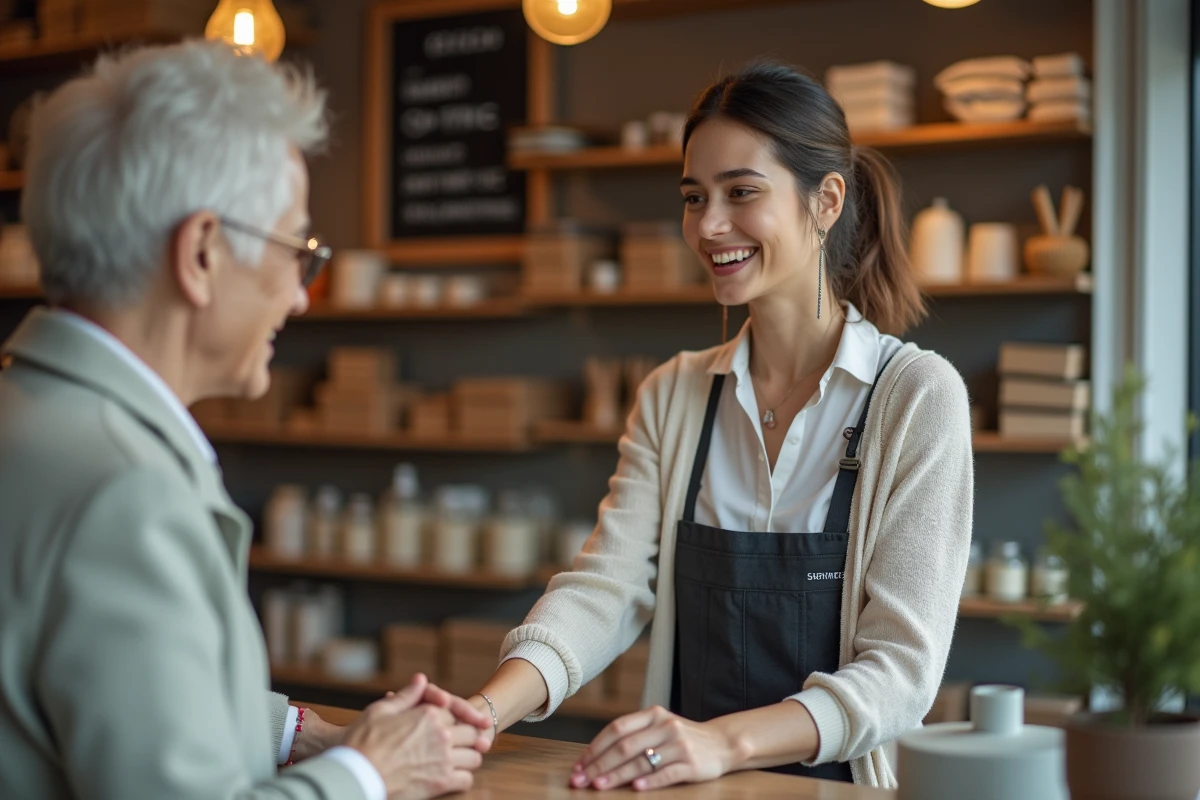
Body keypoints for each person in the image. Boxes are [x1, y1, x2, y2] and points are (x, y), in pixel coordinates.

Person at [0, 41, 491, 799]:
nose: (300, 296)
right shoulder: (126, 494)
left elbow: (97, 689)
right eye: (297, 248)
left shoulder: (33, 418)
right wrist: (370, 773)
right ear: (199, 253)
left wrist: (305, 737)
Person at [467, 62, 974, 791]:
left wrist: (721, 744)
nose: (709, 226)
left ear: (826, 201)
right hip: (685, 784)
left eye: (742, 192)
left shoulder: (918, 399)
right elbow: (605, 590)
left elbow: (900, 674)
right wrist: (482, 712)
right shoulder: (673, 394)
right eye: (694, 197)